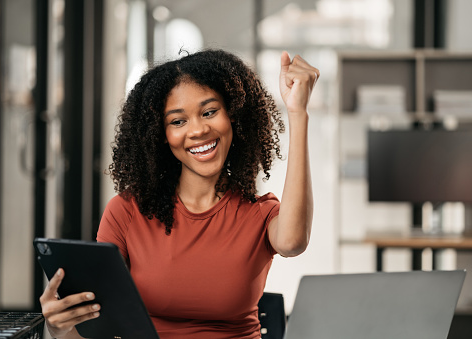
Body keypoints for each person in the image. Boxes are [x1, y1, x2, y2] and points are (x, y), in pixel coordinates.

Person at [39, 49, 319, 339]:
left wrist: (298, 112)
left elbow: (292, 242)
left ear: (233, 117)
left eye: (209, 112)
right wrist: (61, 327)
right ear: (160, 134)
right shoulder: (126, 212)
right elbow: (95, 333)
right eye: (177, 121)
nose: (198, 130)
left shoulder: (259, 213)